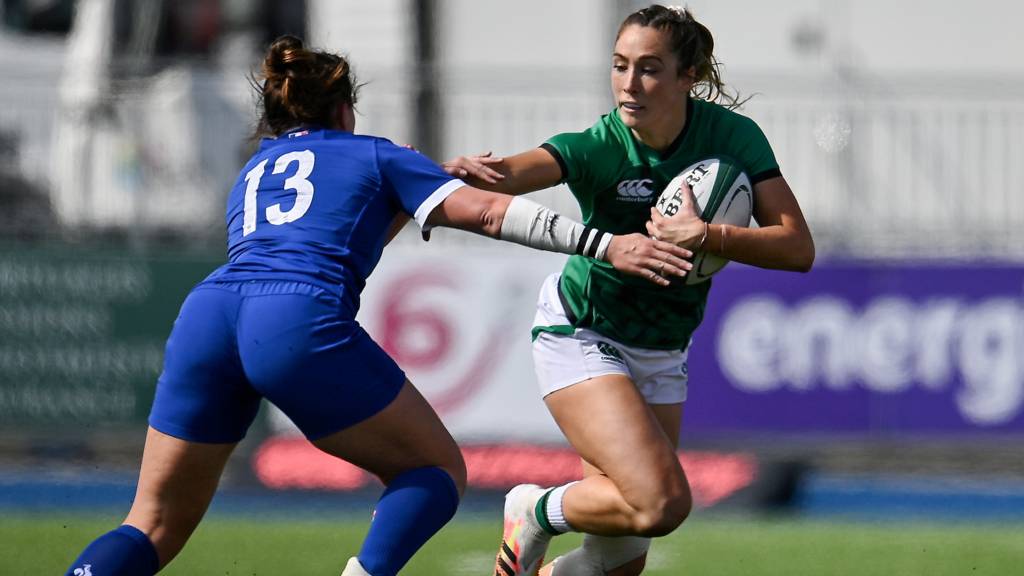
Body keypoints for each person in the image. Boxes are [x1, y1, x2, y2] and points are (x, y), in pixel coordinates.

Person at [62, 35, 696, 576]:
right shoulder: (373, 152)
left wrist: (421, 182)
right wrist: (605, 244)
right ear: (345, 109)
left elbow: (347, 223)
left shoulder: (258, 166)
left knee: (151, 524)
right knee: (434, 469)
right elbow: (492, 212)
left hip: (209, 314)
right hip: (293, 319)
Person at [444, 5, 815, 576]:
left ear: (688, 76)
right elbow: (509, 177)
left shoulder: (733, 138)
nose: (629, 84)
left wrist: (710, 233)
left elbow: (797, 248)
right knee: (663, 503)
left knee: (618, 562)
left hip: (664, 349)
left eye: (649, 68)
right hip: (583, 330)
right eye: (619, 66)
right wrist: (453, 172)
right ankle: (535, 510)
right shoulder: (601, 145)